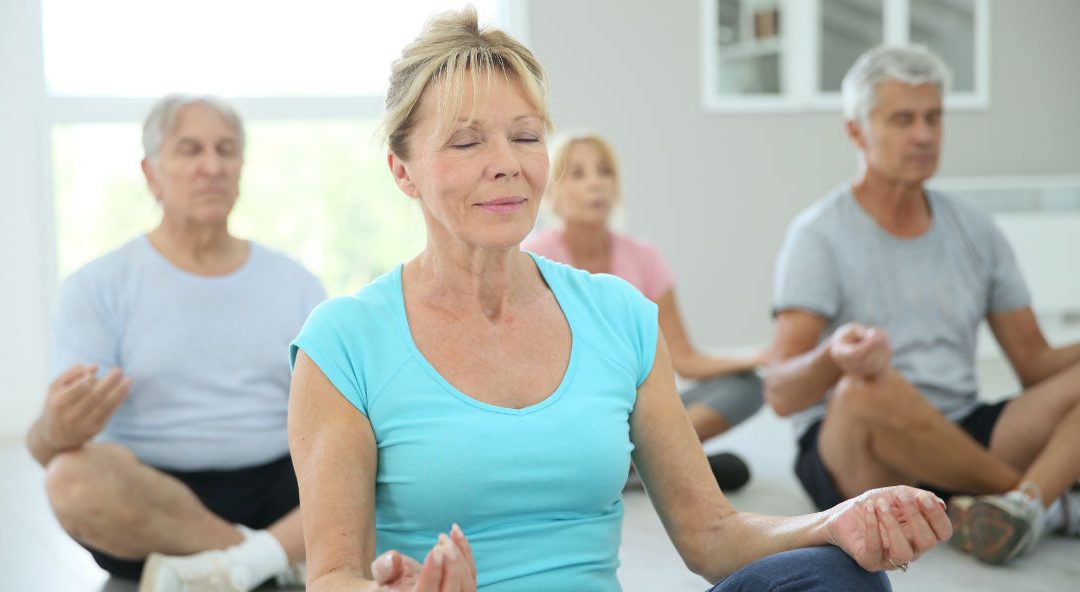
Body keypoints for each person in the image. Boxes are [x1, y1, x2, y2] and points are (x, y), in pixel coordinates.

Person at [287, 9, 950, 591]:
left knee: (835, 573)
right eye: (466, 142)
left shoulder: (620, 314)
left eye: (525, 136)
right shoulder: (343, 342)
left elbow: (712, 535)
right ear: (401, 170)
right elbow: (333, 578)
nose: (508, 163)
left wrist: (834, 520)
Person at [766, 44, 1080, 567]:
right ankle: (1040, 500)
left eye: (934, 118)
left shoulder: (976, 230)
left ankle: (1014, 506)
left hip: (962, 429)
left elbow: (1035, 365)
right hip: (862, 453)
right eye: (903, 119)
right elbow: (779, 392)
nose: (924, 135)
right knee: (865, 390)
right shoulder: (818, 235)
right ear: (856, 131)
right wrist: (832, 359)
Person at [25, 94, 326, 591]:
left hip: (280, 485)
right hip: (151, 501)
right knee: (69, 478)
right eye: (190, 150)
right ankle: (266, 557)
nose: (212, 166)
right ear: (151, 173)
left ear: (241, 167)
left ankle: (226, 567)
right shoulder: (98, 285)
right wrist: (54, 428)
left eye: (226, 150)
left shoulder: (296, 283)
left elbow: (330, 418)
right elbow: (45, 448)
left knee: (383, 449)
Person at [522, 132, 764, 491]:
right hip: (575, 413)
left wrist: (759, 357)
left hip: (639, 412)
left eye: (604, 172)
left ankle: (630, 463)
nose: (595, 183)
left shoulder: (645, 256)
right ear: (552, 194)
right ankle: (650, 463)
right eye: (577, 174)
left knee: (747, 387)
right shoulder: (532, 258)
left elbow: (684, 357)